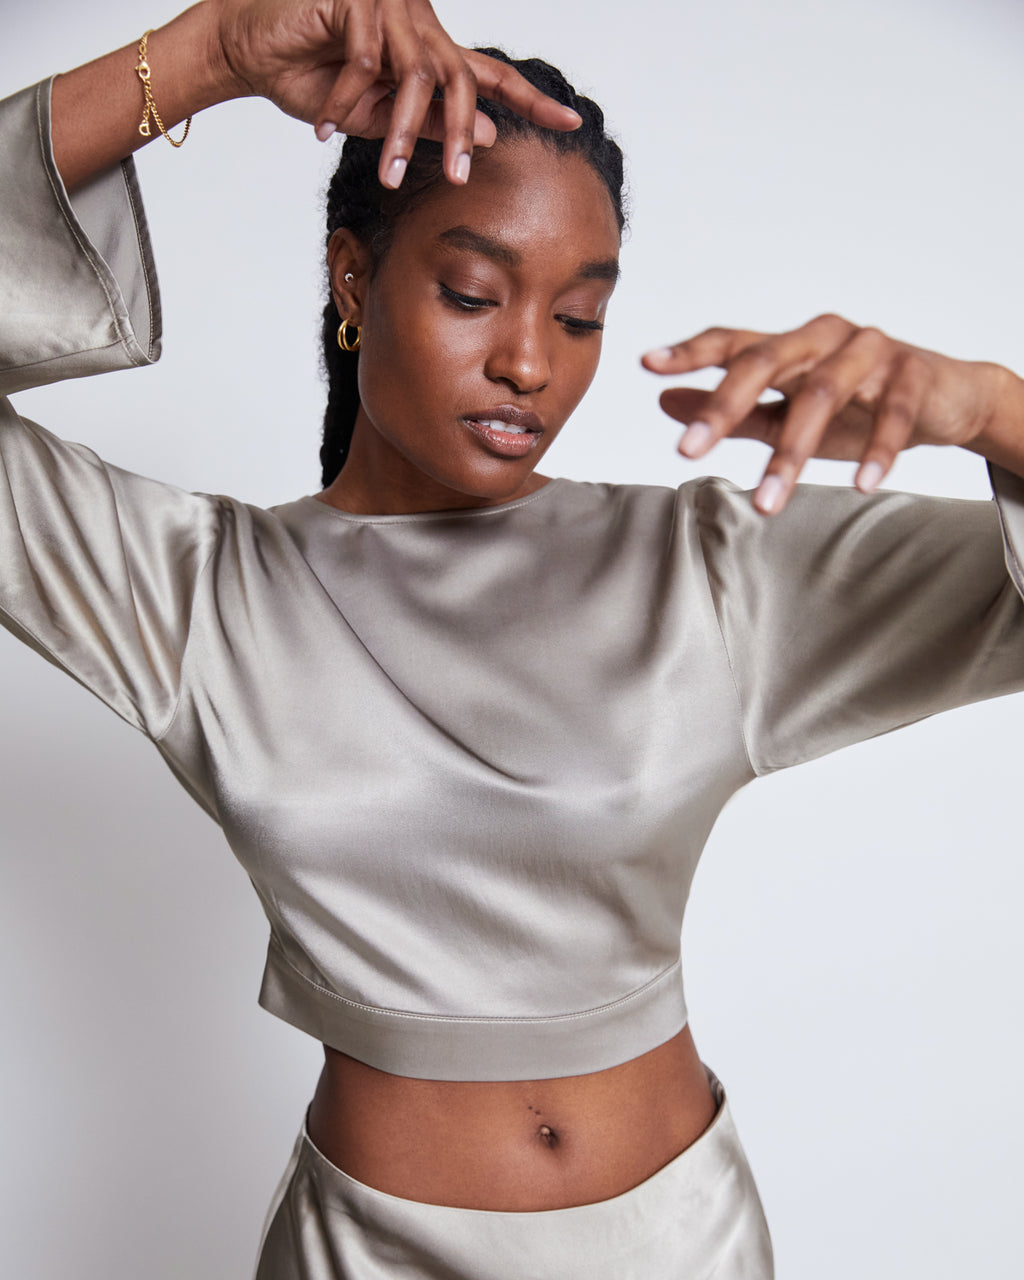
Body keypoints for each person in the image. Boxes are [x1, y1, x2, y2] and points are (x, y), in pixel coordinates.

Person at [3, 1, 1024, 1276]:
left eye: (580, 317)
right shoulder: (195, 589)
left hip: (680, 1243)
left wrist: (993, 408)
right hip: (370, 1250)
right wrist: (208, 53)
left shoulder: (706, 569)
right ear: (352, 277)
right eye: (474, 293)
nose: (530, 362)